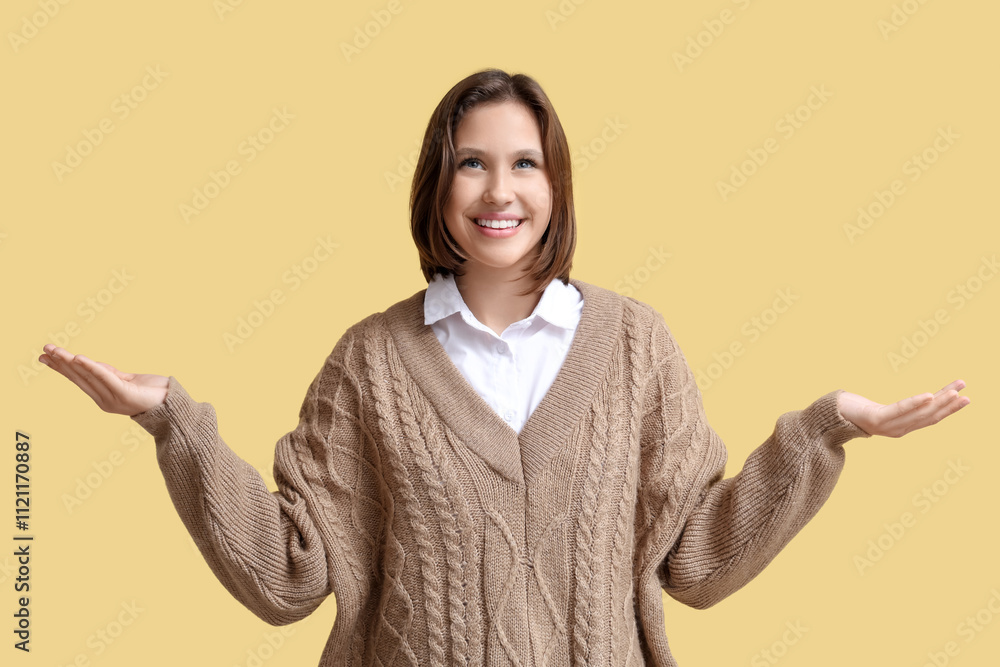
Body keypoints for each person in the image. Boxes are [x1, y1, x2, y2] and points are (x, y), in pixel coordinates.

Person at [40, 68, 969, 666]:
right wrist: (173, 422)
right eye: (471, 164)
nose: (499, 190)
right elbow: (289, 576)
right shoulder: (370, 363)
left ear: (555, 183)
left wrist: (828, 429)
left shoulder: (636, 345)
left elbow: (695, 560)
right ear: (438, 185)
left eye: (525, 163)